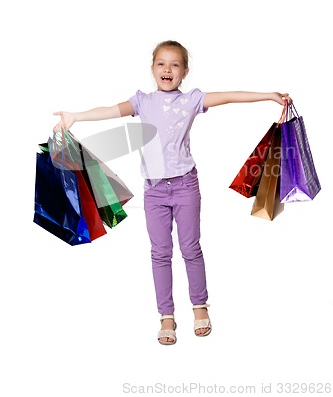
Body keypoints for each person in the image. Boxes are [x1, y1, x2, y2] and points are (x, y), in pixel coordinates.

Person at [53, 40, 292, 346]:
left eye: (175, 65)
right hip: (154, 191)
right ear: (152, 69)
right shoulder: (142, 101)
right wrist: (76, 116)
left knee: (191, 248)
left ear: (184, 72)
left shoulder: (192, 100)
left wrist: (267, 96)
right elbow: (111, 110)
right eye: (161, 64)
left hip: (185, 186)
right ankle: (166, 315)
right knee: (160, 253)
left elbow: (230, 97)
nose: (167, 69)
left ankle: (200, 307)